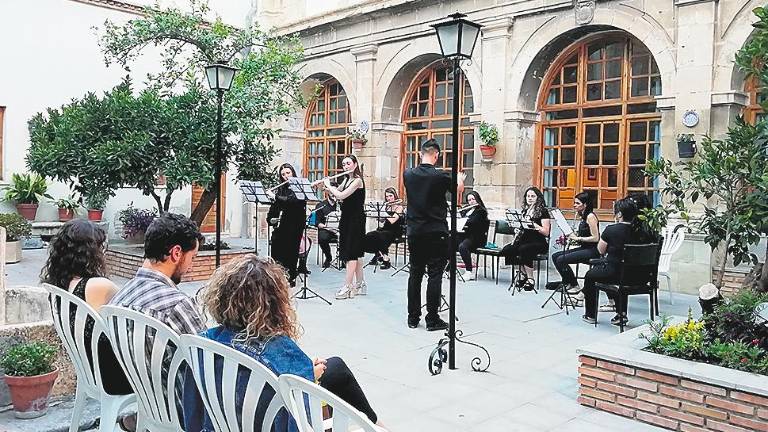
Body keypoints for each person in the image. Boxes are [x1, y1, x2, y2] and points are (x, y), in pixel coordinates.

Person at [185, 255, 385, 432]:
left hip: (222, 423)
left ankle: (377, 422)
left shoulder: (203, 341)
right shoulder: (280, 349)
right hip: (269, 421)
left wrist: (306, 372)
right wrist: (307, 378)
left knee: (335, 367)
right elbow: (303, 417)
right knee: (337, 371)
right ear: (274, 303)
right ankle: (378, 425)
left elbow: (192, 412)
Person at [41, 220, 136, 432]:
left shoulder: (59, 286)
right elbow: (135, 304)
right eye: (102, 247)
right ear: (92, 252)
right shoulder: (98, 286)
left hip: (89, 371)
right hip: (113, 376)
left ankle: (137, 420)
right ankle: (139, 421)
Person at [109, 213, 206, 336]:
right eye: (193, 257)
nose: (190, 266)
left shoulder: (120, 297)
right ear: (176, 253)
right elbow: (206, 353)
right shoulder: (177, 304)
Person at [403, 139, 465, 331]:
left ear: (421, 154)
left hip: (414, 231)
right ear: (436, 156)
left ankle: (413, 318)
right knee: (435, 275)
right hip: (435, 231)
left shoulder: (408, 174)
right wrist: (461, 179)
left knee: (415, 274)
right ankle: (432, 318)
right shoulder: (440, 176)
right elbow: (458, 191)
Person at [581, 198, 655, 326]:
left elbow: (600, 250)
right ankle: (621, 314)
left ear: (619, 214)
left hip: (617, 275)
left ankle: (590, 314)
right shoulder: (645, 231)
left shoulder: (612, 230)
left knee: (591, 275)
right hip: (642, 277)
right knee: (619, 271)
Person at [323, 155, 367, 299]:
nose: (345, 166)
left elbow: (341, 195)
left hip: (356, 219)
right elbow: (336, 194)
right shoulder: (347, 180)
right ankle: (360, 284)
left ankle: (347, 287)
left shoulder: (358, 181)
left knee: (351, 253)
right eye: (343, 164)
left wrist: (329, 185)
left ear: (355, 165)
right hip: (347, 218)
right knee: (357, 254)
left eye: (348, 163)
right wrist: (324, 186)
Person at [549, 191, 600, 295]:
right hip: (584, 248)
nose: (574, 205)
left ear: (585, 205)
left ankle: (574, 285)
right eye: (574, 203)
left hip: (592, 250)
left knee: (561, 260)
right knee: (555, 256)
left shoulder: (591, 217)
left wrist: (578, 238)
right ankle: (568, 282)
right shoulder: (583, 216)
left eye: (577, 203)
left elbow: (596, 238)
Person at [501, 187, 552, 291]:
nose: (530, 198)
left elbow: (546, 232)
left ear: (538, 198)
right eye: (528, 196)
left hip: (538, 242)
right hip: (525, 240)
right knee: (508, 250)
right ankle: (523, 275)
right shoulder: (525, 211)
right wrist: (518, 228)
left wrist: (533, 224)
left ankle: (530, 279)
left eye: (533, 196)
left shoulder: (543, 211)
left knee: (524, 249)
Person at [267, 163, 307, 287]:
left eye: (288, 173)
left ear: (293, 173)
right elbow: (276, 207)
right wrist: (271, 219)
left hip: (295, 223)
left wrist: (275, 196)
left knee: (291, 250)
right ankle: (277, 275)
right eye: (283, 174)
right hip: (283, 224)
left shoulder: (299, 187)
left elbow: (292, 202)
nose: (286, 176)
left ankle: (291, 277)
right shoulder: (281, 189)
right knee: (277, 246)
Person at [364, 187, 404, 270]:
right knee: (370, 235)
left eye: (390, 196)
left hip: (395, 230)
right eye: (387, 197)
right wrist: (378, 215)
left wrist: (384, 213)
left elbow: (393, 220)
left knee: (381, 236)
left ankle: (386, 259)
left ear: (394, 196)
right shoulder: (387, 207)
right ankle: (378, 255)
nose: (389, 198)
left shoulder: (399, 208)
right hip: (385, 228)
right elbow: (383, 220)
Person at [458, 191, 489, 281]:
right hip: (465, 235)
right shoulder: (467, 210)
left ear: (477, 199)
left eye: (473, 199)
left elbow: (472, 222)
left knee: (462, 247)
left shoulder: (481, 211)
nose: (471, 201)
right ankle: (449, 268)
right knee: (449, 241)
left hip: (477, 237)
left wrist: (463, 219)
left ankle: (469, 271)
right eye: (469, 200)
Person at [311, 188, 339, 268]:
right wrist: (326, 226)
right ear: (327, 192)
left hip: (338, 230)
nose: (333, 194)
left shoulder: (341, 205)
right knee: (322, 238)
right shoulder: (321, 205)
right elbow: (317, 222)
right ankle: (328, 257)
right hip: (326, 229)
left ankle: (342, 258)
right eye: (331, 192)